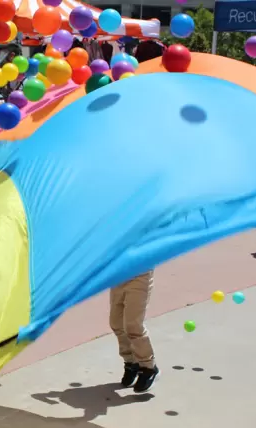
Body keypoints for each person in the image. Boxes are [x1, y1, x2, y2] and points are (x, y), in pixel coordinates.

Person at [106, 41, 164, 394]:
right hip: (119, 264)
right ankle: (129, 361)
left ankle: (148, 364)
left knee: (132, 323)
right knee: (116, 322)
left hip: (140, 264)